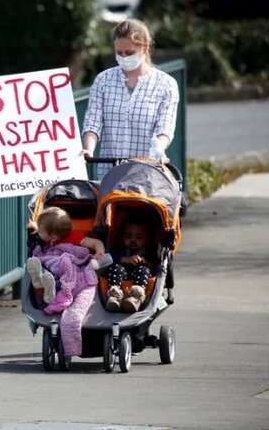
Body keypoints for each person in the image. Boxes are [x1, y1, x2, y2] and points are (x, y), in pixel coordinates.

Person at [80, 18, 180, 179]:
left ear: (145, 48)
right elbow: (93, 122)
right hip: (109, 174)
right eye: (119, 53)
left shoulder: (166, 84)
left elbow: (165, 126)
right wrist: (89, 150)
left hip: (147, 174)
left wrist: (159, 149)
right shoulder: (103, 80)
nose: (124, 57)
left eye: (129, 53)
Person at [26, 207, 108, 356]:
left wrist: (99, 252)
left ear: (53, 236)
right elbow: (44, 231)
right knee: (47, 263)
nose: (38, 233)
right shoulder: (50, 238)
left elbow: (96, 242)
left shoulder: (76, 237)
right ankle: (47, 284)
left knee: (62, 266)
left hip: (70, 268)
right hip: (54, 268)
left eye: (41, 231)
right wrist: (35, 227)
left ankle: (49, 286)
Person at [105, 216, 158, 313]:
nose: (133, 240)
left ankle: (135, 298)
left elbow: (156, 269)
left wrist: (146, 263)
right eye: (128, 236)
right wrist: (124, 259)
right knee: (116, 267)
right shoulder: (119, 250)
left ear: (148, 239)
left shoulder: (150, 253)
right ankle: (114, 296)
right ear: (122, 236)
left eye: (139, 237)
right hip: (120, 281)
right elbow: (106, 262)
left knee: (143, 270)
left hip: (140, 284)